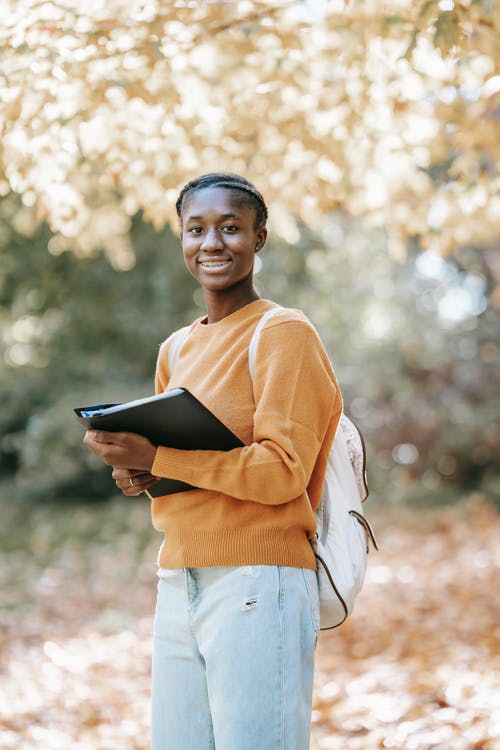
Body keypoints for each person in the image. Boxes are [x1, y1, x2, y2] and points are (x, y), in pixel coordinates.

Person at [84, 172, 343, 750]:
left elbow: (282, 471)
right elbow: (174, 474)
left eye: (231, 228)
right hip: (177, 579)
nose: (212, 243)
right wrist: (139, 470)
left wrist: (161, 455)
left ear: (260, 237)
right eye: (195, 229)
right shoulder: (174, 349)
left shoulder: (283, 332)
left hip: (260, 582)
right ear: (180, 238)